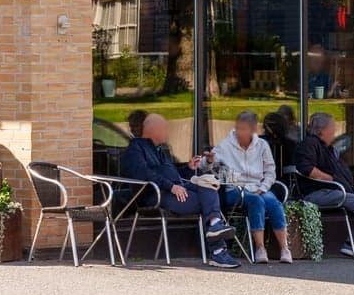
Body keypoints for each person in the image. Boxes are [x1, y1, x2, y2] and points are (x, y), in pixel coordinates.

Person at [120, 113, 239, 268]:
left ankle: (215, 225)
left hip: (176, 189)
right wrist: (171, 186)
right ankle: (218, 251)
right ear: (152, 130)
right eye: (164, 128)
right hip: (156, 194)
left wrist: (188, 168)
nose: (167, 132)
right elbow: (144, 173)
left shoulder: (161, 150)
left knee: (209, 182)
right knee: (207, 203)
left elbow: (173, 174)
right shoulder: (136, 148)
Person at [294, 112, 354, 259]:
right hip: (319, 193)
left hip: (337, 191)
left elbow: (340, 171)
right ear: (321, 130)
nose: (335, 130)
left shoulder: (329, 149)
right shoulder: (309, 144)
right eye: (332, 127)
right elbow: (306, 168)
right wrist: (330, 179)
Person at [213, 111, 292, 264]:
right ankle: (260, 248)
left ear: (253, 129)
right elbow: (207, 164)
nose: (239, 132)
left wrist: (263, 187)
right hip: (235, 189)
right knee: (256, 201)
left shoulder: (262, 145)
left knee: (273, 202)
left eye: (243, 129)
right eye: (238, 128)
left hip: (258, 187)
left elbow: (270, 171)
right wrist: (208, 160)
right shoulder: (225, 145)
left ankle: (284, 248)